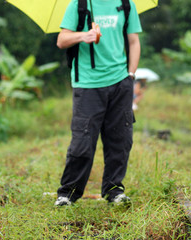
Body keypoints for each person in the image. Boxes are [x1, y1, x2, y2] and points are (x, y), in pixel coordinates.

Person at [55, 0, 142, 206]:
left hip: (120, 82)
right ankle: (67, 194)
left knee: (120, 140)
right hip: (87, 83)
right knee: (82, 142)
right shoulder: (78, 5)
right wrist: (83, 35)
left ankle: (114, 191)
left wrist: (130, 75)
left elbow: (134, 41)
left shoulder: (126, 4)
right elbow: (61, 40)